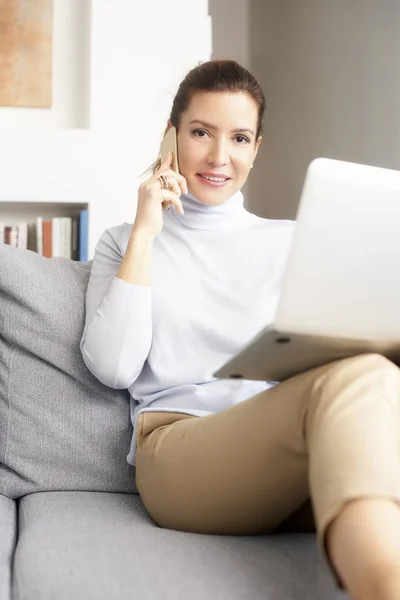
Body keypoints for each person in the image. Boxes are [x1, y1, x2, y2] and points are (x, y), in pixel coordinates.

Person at [80, 59, 400, 599]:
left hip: (284, 447)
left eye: (240, 138)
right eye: (201, 132)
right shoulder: (125, 240)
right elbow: (113, 368)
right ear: (171, 138)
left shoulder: (294, 240)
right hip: (178, 451)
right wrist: (145, 233)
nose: (219, 157)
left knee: (368, 373)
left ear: (257, 148)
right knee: (360, 380)